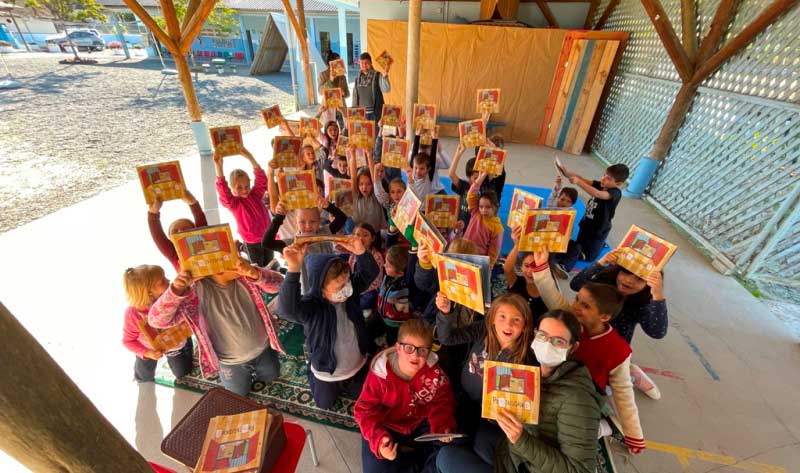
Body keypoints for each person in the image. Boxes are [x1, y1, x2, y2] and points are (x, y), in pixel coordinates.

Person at [438, 310, 603, 473]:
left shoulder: (579, 400)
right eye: (543, 336)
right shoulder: (535, 370)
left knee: (446, 457)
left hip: (530, 462)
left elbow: (580, 470)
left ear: (572, 348)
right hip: (519, 454)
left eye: (558, 341)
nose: (547, 345)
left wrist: (521, 439)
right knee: (475, 435)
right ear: (535, 335)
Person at [530, 249, 647, 454]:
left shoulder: (618, 350)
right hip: (560, 380)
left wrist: (634, 434)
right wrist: (541, 268)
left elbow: (623, 393)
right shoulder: (572, 319)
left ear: (604, 317)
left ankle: (606, 426)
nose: (575, 306)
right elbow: (552, 297)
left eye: (584, 305)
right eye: (577, 300)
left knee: (563, 432)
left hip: (586, 394)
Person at [148, 256, 285, 396]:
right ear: (217, 269)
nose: (239, 262)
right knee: (237, 393)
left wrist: (256, 274)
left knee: (271, 375)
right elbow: (156, 321)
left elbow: (281, 284)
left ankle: (265, 377)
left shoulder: (246, 276)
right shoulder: (194, 294)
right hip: (230, 362)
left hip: (265, 349)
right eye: (232, 259)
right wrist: (176, 290)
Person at [434, 293, 536, 465]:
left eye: (516, 320)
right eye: (502, 316)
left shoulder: (526, 357)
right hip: (465, 400)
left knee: (480, 447)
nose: (508, 324)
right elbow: (447, 338)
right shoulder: (484, 330)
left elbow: (524, 404)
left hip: (492, 418)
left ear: (525, 326)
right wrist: (446, 312)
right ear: (492, 318)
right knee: (448, 440)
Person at [279, 237, 379, 409]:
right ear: (321, 288)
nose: (346, 288)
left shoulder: (351, 292)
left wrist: (361, 252)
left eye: (347, 281)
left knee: (364, 396)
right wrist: (293, 269)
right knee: (324, 404)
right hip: (326, 370)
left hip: (356, 363)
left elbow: (370, 272)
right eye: (339, 287)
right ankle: (311, 370)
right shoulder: (312, 306)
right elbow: (287, 309)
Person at [355, 318, 457, 473]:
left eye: (422, 350)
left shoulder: (436, 373)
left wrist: (442, 426)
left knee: (447, 450)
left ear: (429, 352)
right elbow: (364, 411)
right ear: (398, 348)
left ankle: (417, 463)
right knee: (375, 467)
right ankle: (404, 459)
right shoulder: (379, 376)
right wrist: (379, 441)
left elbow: (443, 400)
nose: (415, 355)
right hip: (387, 424)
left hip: (420, 422)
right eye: (409, 348)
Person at [571, 248, 667, 399]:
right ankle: (628, 370)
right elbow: (575, 284)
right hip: (586, 334)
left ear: (648, 284)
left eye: (639, 279)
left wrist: (658, 294)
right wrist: (601, 263)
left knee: (607, 381)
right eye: (626, 272)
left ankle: (632, 373)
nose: (629, 280)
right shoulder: (604, 282)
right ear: (618, 269)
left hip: (614, 347)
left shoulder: (643, 302)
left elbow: (657, 331)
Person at [552, 163, 630, 277]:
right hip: (586, 226)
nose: (603, 178)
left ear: (618, 184)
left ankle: (565, 267)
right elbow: (583, 179)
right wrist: (567, 172)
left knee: (583, 253)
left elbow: (597, 194)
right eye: (604, 175)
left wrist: (578, 182)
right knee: (574, 244)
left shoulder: (615, 193)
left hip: (596, 232)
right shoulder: (603, 185)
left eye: (608, 178)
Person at [123, 265, 193, 383]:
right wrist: (147, 353)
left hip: (175, 344)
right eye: (162, 281)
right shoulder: (133, 314)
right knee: (143, 377)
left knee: (183, 372)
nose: (168, 280)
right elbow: (128, 341)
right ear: (148, 291)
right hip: (148, 349)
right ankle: (142, 379)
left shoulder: (169, 298)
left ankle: (187, 346)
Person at [214, 147, 272, 266]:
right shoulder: (234, 203)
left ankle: (241, 247)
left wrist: (249, 157)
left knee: (270, 263)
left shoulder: (255, 194)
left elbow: (262, 180)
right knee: (258, 268)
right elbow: (223, 191)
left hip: (267, 236)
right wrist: (219, 168)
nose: (245, 190)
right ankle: (242, 247)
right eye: (239, 187)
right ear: (232, 188)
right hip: (252, 241)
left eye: (247, 186)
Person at [147, 189, 207, 272]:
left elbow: (201, 224)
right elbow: (157, 235)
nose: (180, 232)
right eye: (175, 231)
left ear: (195, 232)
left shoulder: (201, 242)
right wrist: (152, 213)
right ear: (170, 239)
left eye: (185, 229)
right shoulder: (174, 255)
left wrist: (193, 203)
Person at [504, 226, 549, 321]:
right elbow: (507, 269)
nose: (530, 271)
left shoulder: (549, 293)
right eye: (526, 266)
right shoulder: (517, 282)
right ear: (521, 267)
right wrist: (517, 245)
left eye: (535, 266)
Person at [464, 171, 503, 267]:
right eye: (481, 206)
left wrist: (488, 268)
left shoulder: (497, 228)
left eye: (488, 207)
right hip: (463, 253)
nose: (484, 210)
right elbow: (471, 195)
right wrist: (481, 178)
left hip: (478, 262)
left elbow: (493, 252)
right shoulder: (476, 212)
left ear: (496, 207)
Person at [348, 143, 388, 231]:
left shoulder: (375, 195)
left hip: (375, 234)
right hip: (359, 235)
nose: (364, 187)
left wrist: (369, 155)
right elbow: (354, 177)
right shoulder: (356, 195)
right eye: (361, 184)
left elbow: (375, 177)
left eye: (368, 184)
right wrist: (353, 155)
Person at [350, 222, 384, 313]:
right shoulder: (353, 253)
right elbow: (351, 268)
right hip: (356, 287)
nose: (360, 239)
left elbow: (376, 282)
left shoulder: (377, 256)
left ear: (372, 238)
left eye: (365, 235)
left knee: (370, 297)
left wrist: (357, 291)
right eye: (357, 235)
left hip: (369, 290)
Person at [352, 52, 391, 124]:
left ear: (371, 63)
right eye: (362, 63)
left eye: (366, 63)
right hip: (362, 115)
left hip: (376, 113)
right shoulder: (357, 78)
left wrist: (385, 73)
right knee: (364, 134)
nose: (364, 65)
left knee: (376, 134)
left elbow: (386, 89)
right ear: (359, 64)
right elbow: (355, 97)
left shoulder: (377, 75)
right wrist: (354, 112)